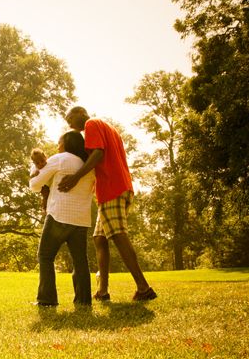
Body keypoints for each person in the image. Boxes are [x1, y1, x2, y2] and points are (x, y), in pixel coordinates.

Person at [58, 106, 156, 301]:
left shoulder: (91, 124)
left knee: (119, 235)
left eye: (69, 119)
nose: (70, 125)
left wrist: (76, 177)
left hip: (112, 186)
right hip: (117, 187)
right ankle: (103, 292)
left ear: (79, 113)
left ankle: (144, 288)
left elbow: (98, 154)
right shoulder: (108, 127)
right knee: (99, 239)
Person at [30, 131, 96, 307]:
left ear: (66, 143)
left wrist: (33, 170)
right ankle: (83, 301)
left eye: (59, 142)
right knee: (80, 260)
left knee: (45, 256)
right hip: (81, 219)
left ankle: (47, 300)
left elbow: (35, 185)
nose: (57, 145)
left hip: (60, 216)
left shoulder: (60, 158)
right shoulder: (88, 164)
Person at [30, 148, 50, 212]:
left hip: (49, 183)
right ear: (34, 163)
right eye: (37, 163)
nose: (40, 164)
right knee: (45, 195)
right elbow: (31, 177)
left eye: (42, 161)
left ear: (45, 157)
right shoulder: (34, 168)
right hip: (43, 186)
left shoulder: (49, 163)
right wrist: (34, 174)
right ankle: (44, 208)